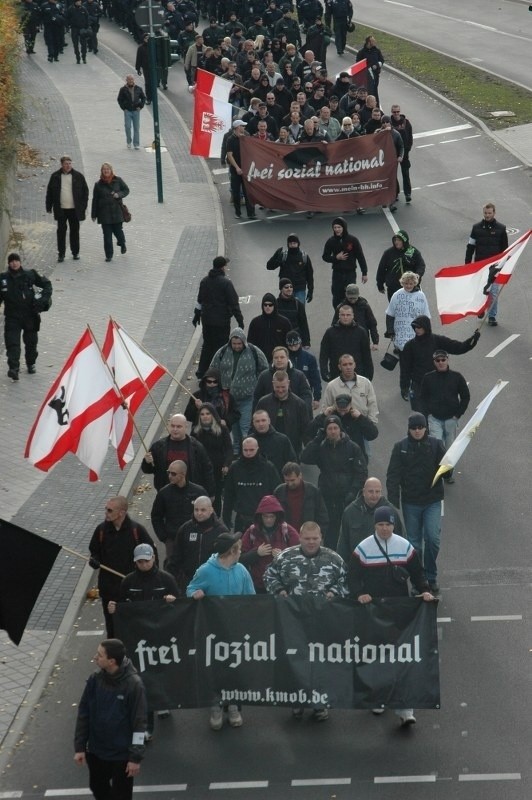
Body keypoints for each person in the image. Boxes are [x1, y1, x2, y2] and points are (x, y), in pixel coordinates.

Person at [347, 506, 435, 726]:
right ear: (374, 525)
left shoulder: (404, 546)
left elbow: (417, 573)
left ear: (394, 526)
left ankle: (406, 709)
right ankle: (378, 699)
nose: (384, 529)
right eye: (380, 524)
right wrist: (359, 594)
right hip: (373, 611)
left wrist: (424, 590)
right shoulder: (363, 548)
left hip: (399, 610)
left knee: (401, 657)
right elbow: (353, 577)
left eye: (388, 525)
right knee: (377, 656)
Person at [264, 521, 347, 719]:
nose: (311, 542)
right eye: (307, 539)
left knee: (319, 662)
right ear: (299, 538)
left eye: (315, 539)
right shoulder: (286, 557)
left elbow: (346, 580)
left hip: (323, 620)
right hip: (293, 620)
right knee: (295, 661)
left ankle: (319, 703)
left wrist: (334, 592)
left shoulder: (334, 559)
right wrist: (279, 590)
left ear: (321, 538)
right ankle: (297, 700)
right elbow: (269, 575)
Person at [107, 544, 178, 740]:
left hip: (162, 637)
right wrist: (115, 609)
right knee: (144, 677)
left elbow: (180, 605)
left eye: (146, 560)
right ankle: (147, 724)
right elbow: (122, 606)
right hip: (138, 638)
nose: (143, 564)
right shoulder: (128, 582)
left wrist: (173, 601)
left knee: (161, 670)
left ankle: (163, 702)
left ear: (154, 558)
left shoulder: (166, 579)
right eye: (139, 561)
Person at [187, 532, 255, 730]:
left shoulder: (241, 570)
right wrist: (195, 593)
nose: (241, 552)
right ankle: (216, 706)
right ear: (231, 551)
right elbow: (190, 588)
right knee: (215, 669)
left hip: (235, 631)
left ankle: (233, 706)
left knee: (234, 668)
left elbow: (251, 597)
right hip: (213, 632)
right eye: (239, 549)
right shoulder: (206, 571)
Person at [74, 638, 147, 799]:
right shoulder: (95, 679)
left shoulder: (133, 685)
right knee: (97, 787)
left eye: (99, 655)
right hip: (97, 751)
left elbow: (139, 723)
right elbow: (84, 712)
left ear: (112, 661)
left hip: (121, 756)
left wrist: (135, 758)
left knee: (122, 795)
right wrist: (80, 746)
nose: (95, 657)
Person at [386, 413, 445, 593]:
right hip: (411, 502)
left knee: (433, 539)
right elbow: (393, 474)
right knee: (415, 544)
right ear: (409, 429)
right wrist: (394, 498)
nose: (417, 431)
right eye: (414, 428)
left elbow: (445, 467)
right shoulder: (400, 447)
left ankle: (431, 575)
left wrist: (449, 472)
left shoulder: (436, 445)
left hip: (432, 500)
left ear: (425, 427)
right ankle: (420, 581)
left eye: (420, 427)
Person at [88, 496, 156, 637]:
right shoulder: (101, 531)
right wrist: (94, 560)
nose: (106, 512)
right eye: (106, 509)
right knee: (112, 626)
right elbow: (94, 551)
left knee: (134, 625)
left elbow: (152, 554)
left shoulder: (137, 531)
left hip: (132, 589)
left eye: (110, 510)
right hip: (109, 589)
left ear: (122, 512)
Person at [301, 415, 367, 548]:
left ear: (340, 429)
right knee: (330, 531)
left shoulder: (352, 447)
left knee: (349, 530)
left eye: (335, 428)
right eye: (329, 428)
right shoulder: (321, 446)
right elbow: (305, 457)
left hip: (347, 496)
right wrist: (317, 439)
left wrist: (353, 491)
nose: (332, 431)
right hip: (327, 495)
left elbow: (361, 472)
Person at [401, 315, 479, 412]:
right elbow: (405, 367)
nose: (417, 329)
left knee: (436, 415)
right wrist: (404, 386)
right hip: (418, 385)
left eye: (419, 327)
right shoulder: (410, 346)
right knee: (419, 415)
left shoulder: (437, 341)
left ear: (426, 327)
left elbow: (458, 347)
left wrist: (472, 341)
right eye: (415, 327)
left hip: (436, 383)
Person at [210, 327, 269, 453]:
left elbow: (265, 369)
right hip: (228, 400)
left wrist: (256, 385)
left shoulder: (254, 352)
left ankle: (248, 451)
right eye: (234, 343)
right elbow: (213, 370)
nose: (237, 346)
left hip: (247, 398)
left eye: (239, 343)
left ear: (244, 342)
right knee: (234, 429)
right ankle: (237, 453)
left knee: (245, 428)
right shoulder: (222, 352)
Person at [419, 350, 470, 483]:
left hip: (451, 419)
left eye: (443, 360)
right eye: (438, 360)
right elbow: (422, 398)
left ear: (448, 360)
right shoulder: (428, 378)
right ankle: (437, 472)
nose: (441, 362)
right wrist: (427, 414)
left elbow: (466, 396)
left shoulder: (457, 377)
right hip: (434, 418)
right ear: (434, 362)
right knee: (437, 446)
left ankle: (448, 474)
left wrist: (457, 414)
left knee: (449, 448)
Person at [0, 253, 52, 381]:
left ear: (20, 262)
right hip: (12, 316)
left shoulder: (30, 274)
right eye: (12, 261)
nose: (14, 263)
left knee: (31, 343)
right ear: (9, 264)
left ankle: (31, 363)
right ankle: (13, 368)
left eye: (16, 260)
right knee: (12, 343)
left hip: (30, 315)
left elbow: (47, 285)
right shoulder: (3, 279)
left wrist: (42, 301)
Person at [193, 255, 244, 378]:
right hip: (221, 321)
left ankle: (202, 372)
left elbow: (200, 300)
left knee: (207, 345)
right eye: (226, 265)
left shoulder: (205, 281)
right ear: (222, 267)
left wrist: (196, 315)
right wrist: (240, 320)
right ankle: (219, 372)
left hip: (207, 321)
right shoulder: (226, 283)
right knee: (221, 347)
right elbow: (233, 303)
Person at [141, 413, 215, 494]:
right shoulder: (158, 447)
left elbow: (207, 470)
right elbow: (148, 470)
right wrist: (147, 462)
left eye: (179, 426)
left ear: (186, 427)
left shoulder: (196, 447)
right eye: (172, 426)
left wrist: (210, 493)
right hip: (166, 494)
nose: (175, 429)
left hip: (190, 494)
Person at [385, 272, 431, 400]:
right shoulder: (397, 295)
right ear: (402, 283)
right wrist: (390, 331)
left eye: (411, 283)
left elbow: (426, 316)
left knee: (417, 365)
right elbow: (390, 314)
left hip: (417, 337)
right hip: (401, 336)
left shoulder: (421, 296)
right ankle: (404, 389)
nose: (408, 285)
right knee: (405, 366)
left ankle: (416, 387)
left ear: (415, 283)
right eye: (406, 283)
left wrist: (427, 334)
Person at [241, 495, 300, 592]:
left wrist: (283, 556)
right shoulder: (251, 531)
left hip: (282, 586)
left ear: (277, 516)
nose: (268, 520)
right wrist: (256, 553)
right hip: (258, 585)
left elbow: (300, 557)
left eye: (272, 516)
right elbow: (239, 559)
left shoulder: (287, 531)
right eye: (265, 516)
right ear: (260, 516)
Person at [167, 496, 228, 590]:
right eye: (196, 510)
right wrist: (177, 578)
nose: (199, 513)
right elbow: (176, 556)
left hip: (214, 582)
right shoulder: (185, 529)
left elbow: (227, 557)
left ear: (211, 510)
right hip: (189, 581)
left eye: (203, 510)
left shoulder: (221, 531)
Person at [150, 460, 207, 559]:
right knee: (172, 568)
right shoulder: (164, 493)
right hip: (173, 539)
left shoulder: (198, 492)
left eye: (173, 474)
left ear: (183, 474)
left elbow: (208, 513)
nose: (170, 476)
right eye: (168, 472)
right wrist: (164, 537)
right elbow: (156, 516)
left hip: (194, 538)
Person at [337, 477, 403, 562]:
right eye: (371, 491)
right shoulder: (350, 512)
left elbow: (401, 539)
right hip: (357, 564)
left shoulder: (391, 512)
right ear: (364, 492)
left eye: (377, 492)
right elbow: (343, 544)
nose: (374, 495)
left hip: (383, 564)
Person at [465, 202, 508, 326]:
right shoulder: (476, 228)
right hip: (480, 265)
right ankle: (481, 309)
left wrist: (504, 265)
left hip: (495, 267)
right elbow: (470, 246)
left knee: (493, 292)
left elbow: (505, 249)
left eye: (489, 213)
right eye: (485, 213)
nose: (487, 215)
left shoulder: (501, 228)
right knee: (481, 291)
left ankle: (492, 316)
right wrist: (467, 264)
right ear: (483, 213)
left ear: (494, 213)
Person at [222, 437, 280, 531]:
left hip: (263, 519)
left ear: (257, 449)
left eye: (251, 450)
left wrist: (278, 517)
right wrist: (226, 517)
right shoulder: (234, 468)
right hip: (242, 518)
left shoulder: (268, 468)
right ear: (242, 449)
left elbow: (277, 493)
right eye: (245, 450)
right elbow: (229, 495)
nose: (248, 453)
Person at [255, 369, 311, 456]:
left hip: (292, 450)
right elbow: (254, 425)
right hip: (267, 451)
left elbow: (305, 429)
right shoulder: (263, 403)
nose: (280, 390)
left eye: (283, 387)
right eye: (277, 387)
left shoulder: (299, 404)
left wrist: (309, 450)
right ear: (273, 384)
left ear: (288, 383)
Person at [308, 392, 378, 461]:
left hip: (354, 456)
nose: (342, 413)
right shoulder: (330, 417)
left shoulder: (357, 418)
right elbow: (310, 431)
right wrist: (323, 416)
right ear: (335, 405)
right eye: (340, 410)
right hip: (333, 457)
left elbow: (373, 434)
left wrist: (361, 417)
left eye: (345, 410)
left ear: (350, 405)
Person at [191, 403, 233, 514]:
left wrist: (227, 464)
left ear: (213, 415)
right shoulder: (195, 432)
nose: (205, 416)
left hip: (217, 468)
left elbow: (229, 448)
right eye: (202, 414)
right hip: (200, 469)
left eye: (208, 414)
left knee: (216, 495)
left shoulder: (222, 429)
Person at [45, 155, 89, 263]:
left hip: (74, 210)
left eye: (69, 163)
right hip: (61, 209)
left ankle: (75, 252)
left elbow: (85, 192)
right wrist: (49, 206)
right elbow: (49, 192)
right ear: (62, 165)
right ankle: (61, 254)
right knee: (61, 232)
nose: (68, 165)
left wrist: (83, 207)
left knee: (74, 231)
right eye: (66, 164)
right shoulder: (55, 176)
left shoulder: (78, 176)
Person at [322, 217, 368, 308]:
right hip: (337, 273)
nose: (337, 230)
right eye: (335, 227)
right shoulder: (331, 241)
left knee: (351, 296)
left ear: (344, 227)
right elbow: (325, 257)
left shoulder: (352, 240)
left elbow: (360, 256)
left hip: (350, 273)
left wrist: (364, 272)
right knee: (337, 297)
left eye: (339, 227)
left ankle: (352, 316)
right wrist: (336, 258)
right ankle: (338, 316)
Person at [320, 304, 374, 382]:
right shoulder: (330, 332)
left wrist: (369, 373)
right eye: (343, 315)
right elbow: (324, 354)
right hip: (336, 375)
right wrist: (324, 371)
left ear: (353, 316)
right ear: (339, 316)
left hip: (357, 375)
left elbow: (366, 355)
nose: (345, 317)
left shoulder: (361, 332)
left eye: (348, 315)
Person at [274, 461, 329, 536]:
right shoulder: (279, 492)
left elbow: (322, 516)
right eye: (286, 480)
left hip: (308, 536)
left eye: (292, 480)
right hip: (285, 536)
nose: (289, 484)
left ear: (300, 475)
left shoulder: (313, 491)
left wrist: (319, 534)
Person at [323, 354, 379, 426]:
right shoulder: (331, 386)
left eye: (350, 364)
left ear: (354, 365)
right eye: (345, 365)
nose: (348, 367)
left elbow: (372, 404)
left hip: (362, 425)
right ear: (339, 367)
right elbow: (326, 407)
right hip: (341, 427)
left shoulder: (365, 383)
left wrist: (371, 423)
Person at [253, 346, 312, 411]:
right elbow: (257, 398)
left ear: (287, 358)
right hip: (270, 415)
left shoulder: (299, 376)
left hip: (293, 414)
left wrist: (304, 411)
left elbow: (306, 396)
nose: (279, 360)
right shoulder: (264, 376)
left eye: (282, 357)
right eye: (276, 357)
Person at [90, 162, 129, 263]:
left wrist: (119, 194)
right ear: (102, 171)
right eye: (104, 169)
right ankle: (109, 255)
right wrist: (93, 214)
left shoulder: (118, 180)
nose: (106, 171)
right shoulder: (98, 185)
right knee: (107, 236)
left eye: (108, 169)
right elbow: (95, 200)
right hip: (104, 214)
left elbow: (126, 190)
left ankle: (122, 243)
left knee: (118, 232)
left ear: (111, 170)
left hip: (117, 212)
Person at [376, 230, 426, 301]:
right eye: (395, 240)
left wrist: (418, 274)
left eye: (399, 240)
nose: (396, 242)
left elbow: (421, 265)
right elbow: (381, 269)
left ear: (404, 241)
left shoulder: (413, 252)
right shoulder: (388, 253)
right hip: (394, 289)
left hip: (411, 288)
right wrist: (380, 284)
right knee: (395, 310)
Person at [266, 233, 314, 303]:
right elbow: (269, 266)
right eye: (290, 243)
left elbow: (310, 275)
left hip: (299, 289)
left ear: (298, 244)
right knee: (285, 312)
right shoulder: (283, 256)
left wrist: (310, 290)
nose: (292, 245)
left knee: (299, 311)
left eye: (294, 243)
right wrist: (275, 257)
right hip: (285, 289)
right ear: (288, 244)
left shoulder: (304, 257)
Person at [250, 408, 297, 475]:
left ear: (269, 421)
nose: (261, 424)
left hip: (278, 480)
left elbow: (292, 462)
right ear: (253, 423)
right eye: (257, 421)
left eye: (263, 420)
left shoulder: (282, 440)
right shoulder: (248, 441)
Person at [332, 284, 379, 349]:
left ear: (358, 295)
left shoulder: (364, 306)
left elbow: (372, 324)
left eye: (354, 298)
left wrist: (375, 342)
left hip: (362, 340)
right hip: (345, 340)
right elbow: (334, 325)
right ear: (346, 295)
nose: (352, 300)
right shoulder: (341, 307)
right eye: (350, 298)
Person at [247, 292, 292, 362]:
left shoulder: (284, 322)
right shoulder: (255, 322)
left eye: (270, 305)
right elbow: (250, 343)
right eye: (265, 305)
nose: (268, 307)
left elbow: (289, 343)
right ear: (262, 306)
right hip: (260, 360)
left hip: (279, 360)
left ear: (275, 305)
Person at [226, 119, 256, 219]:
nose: (244, 128)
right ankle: (238, 213)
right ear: (238, 127)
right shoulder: (230, 139)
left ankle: (251, 213)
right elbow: (230, 155)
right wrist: (237, 167)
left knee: (248, 192)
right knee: (236, 192)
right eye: (242, 126)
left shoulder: (245, 138)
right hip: (236, 171)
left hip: (246, 169)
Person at [285, 330, 321, 409]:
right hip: (287, 394)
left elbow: (316, 379)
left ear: (300, 343)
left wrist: (317, 398)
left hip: (305, 394)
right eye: (291, 346)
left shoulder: (309, 358)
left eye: (296, 345)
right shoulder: (284, 358)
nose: (294, 348)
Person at [276, 279, 311, 346]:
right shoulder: (276, 304)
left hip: (295, 340)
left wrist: (306, 342)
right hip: (280, 339)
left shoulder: (298, 304)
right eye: (286, 287)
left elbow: (303, 324)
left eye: (291, 287)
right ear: (281, 289)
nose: (289, 289)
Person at [390, 104, 413, 203]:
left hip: (404, 153)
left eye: (397, 112)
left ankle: (408, 193)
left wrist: (407, 150)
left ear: (400, 111)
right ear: (392, 112)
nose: (396, 114)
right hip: (392, 153)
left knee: (405, 173)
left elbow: (410, 137)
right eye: (394, 112)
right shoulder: (389, 123)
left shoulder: (406, 122)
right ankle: (396, 193)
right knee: (393, 175)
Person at [117, 75, 146, 150]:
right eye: (129, 79)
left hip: (136, 111)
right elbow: (119, 99)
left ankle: (136, 144)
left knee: (136, 128)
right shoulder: (123, 89)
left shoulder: (138, 89)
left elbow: (143, 98)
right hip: (128, 111)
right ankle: (129, 142)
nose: (130, 81)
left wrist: (141, 106)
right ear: (126, 80)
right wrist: (123, 108)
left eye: (132, 79)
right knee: (128, 126)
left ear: (134, 80)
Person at [355, 35, 384, 104]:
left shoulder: (377, 51)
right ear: (369, 42)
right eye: (373, 41)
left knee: (374, 90)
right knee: (369, 91)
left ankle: (375, 104)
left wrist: (377, 65)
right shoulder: (362, 52)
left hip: (375, 75)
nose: (375, 42)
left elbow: (382, 61)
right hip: (366, 77)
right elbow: (358, 64)